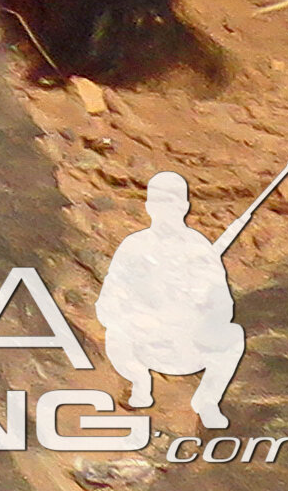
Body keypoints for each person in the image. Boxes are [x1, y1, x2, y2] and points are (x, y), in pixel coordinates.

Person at [95, 171, 247, 429]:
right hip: (144, 345)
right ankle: (140, 382)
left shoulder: (199, 248)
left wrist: (199, 307)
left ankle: (207, 400)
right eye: (159, 200)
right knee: (115, 334)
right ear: (148, 206)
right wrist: (142, 314)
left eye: (173, 199)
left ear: (185, 206)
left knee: (233, 335)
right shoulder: (134, 246)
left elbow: (224, 307)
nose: (166, 207)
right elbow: (108, 303)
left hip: (189, 347)